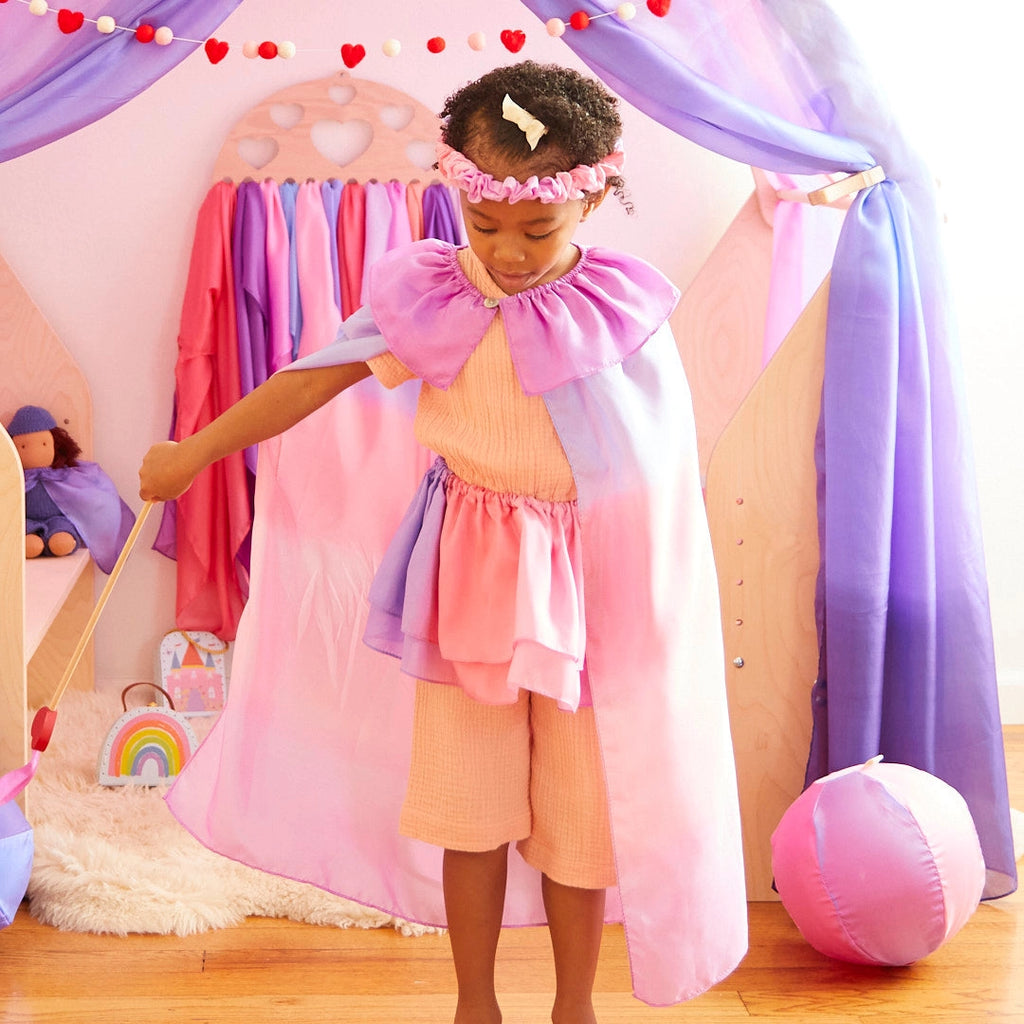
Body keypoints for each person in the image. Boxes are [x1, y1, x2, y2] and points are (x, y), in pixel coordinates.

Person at [141, 61, 747, 1022]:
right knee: (470, 806)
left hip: (592, 592)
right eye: (486, 225)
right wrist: (195, 454)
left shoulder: (621, 312)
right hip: (466, 580)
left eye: (536, 230)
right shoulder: (434, 295)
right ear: (459, 196)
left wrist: (658, 609)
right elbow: (312, 378)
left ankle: (574, 1005)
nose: (508, 253)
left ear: (592, 195)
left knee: (581, 816)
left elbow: (656, 479)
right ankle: (476, 1003)